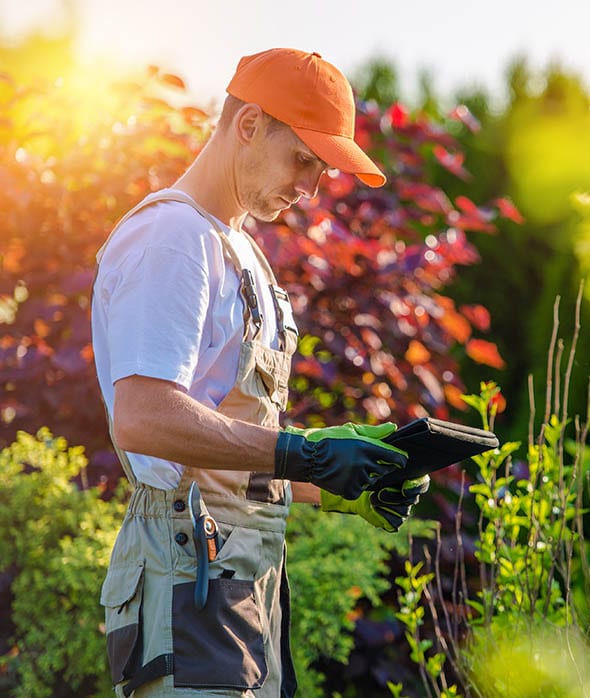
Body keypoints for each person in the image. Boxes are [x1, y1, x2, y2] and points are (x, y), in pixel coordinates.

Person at [91, 48, 429, 698]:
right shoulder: (172, 240)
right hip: (186, 572)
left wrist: (331, 482)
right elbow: (143, 416)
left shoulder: (238, 248)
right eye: (304, 159)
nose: (311, 187)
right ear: (248, 125)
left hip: (239, 576)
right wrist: (301, 454)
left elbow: (224, 445)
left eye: (322, 170)